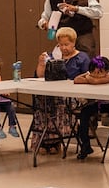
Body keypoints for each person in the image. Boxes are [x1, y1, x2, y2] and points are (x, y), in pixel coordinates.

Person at [32, 26, 92, 154]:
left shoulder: (82, 58)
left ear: (74, 43)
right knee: (41, 102)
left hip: (75, 97)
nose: (64, 48)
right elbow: (40, 76)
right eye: (61, 45)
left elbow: (88, 78)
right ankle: (44, 139)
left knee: (57, 103)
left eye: (67, 44)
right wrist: (41, 63)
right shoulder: (53, 56)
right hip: (53, 94)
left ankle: (55, 140)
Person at [36, 0, 103, 56]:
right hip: (64, 41)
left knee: (86, 62)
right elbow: (44, 17)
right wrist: (43, 24)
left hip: (83, 36)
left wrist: (76, 9)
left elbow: (98, 12)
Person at [73, 55, 109, 163]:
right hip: (99, 103)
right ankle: (86, 146)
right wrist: (89, 75)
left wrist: (89, 77)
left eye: (100, 72)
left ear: (107, 70)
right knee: (84, 113)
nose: (97, 75)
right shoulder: (90, 75)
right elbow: (77, 80)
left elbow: (96, 82)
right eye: (94, 72)